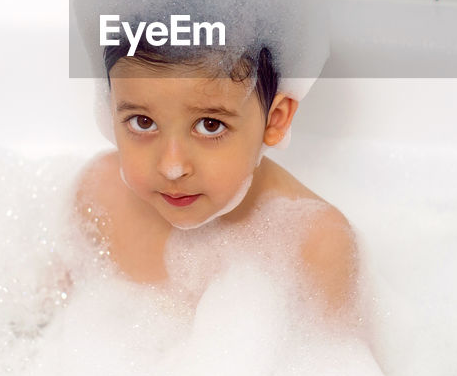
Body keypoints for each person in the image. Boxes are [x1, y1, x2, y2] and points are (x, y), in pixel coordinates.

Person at [71, 31, 362, 329]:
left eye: (210, 125)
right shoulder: (101, 193)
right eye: (143, 122)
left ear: (274, 120)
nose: (172, 167)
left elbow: (338, 364)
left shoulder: (315, 244)